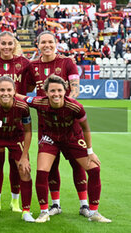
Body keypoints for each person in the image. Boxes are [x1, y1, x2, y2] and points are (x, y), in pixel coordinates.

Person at [18, 75, 111, 223]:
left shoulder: (75, 106)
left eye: (60, 90)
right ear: (46, 92)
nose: (56, 94)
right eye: (52, 91)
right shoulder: (38, 102)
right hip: (50, 139)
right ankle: (44, 212)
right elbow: (22, 97)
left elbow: (86, 128)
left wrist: (90, 151)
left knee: (94, 170)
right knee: (42, 172)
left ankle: (93, 212)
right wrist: (2, 94)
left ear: (65, 91)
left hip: (72, 138)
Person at [28, 31, 90, 218]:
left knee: (77, 163)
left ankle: (84, 205)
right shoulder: (32, 66)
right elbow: (28, 89)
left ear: (56, 44)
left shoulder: (67, 62)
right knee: (50, 165)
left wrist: (65, 106)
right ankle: (55, 205)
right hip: (46, 124)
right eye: (43, 42)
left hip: (69, 123)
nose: (47, 45)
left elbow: (75, 88)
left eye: (50, 42)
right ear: (37, 45)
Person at [0, 31, 33, 214]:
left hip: (17, 120)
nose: (6, 47)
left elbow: (29, 85)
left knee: (18, 164)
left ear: (15, 45)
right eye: (3, 43)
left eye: (9, 43)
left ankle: (15, 201)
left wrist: (17, 98)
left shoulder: (24, 63)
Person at [0, 76, 33, 222]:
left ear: (15, 91)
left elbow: (28, 131)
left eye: (9, 90)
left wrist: (24, 156)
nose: (5, 93)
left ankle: (26, 211)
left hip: (16, 138)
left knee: (24, 170)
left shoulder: (22, 107)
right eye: (2, 90)